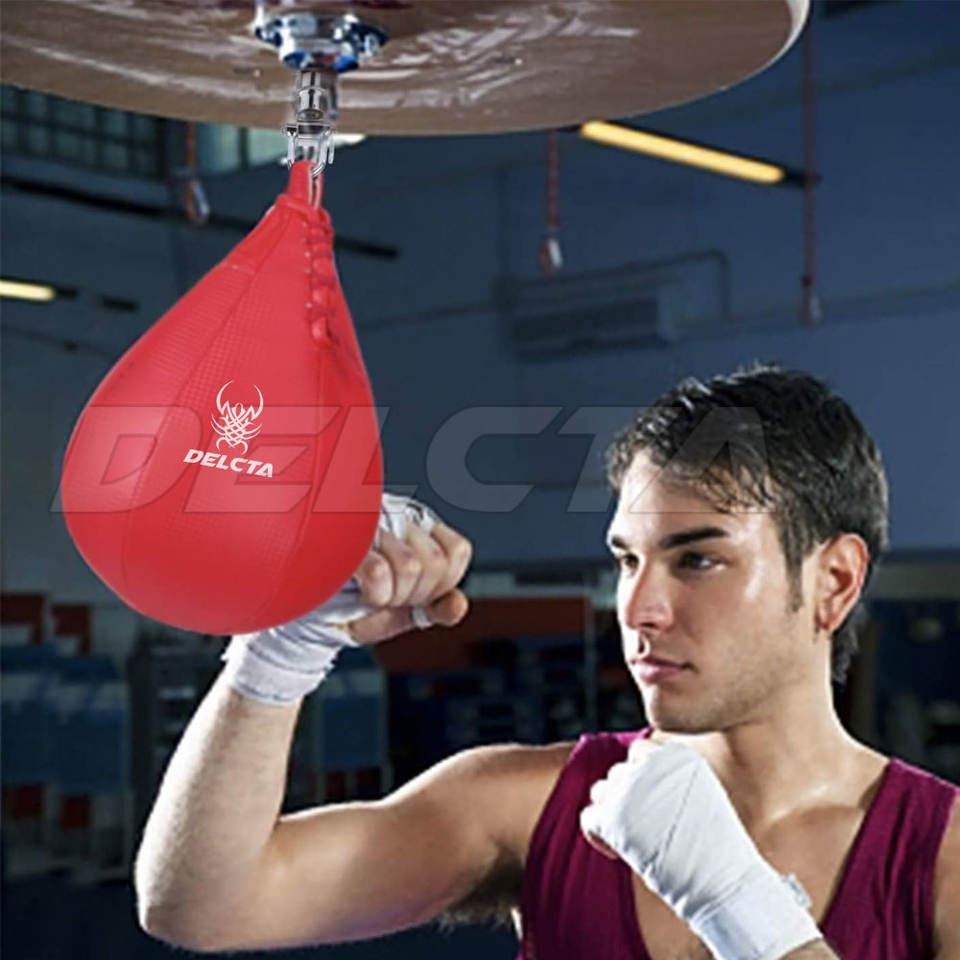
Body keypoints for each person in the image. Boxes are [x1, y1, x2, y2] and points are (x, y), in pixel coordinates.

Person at [134, 362, 959, 960]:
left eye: (698, 559)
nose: (638, 607)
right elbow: (200, 907)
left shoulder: (942, 856)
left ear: (833, 581)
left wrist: (739, 906)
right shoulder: (540, 806)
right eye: (628, 560)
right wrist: (282, 650)